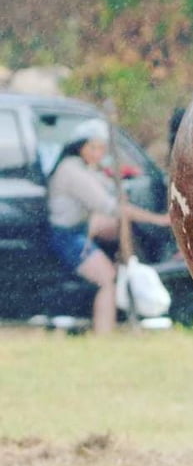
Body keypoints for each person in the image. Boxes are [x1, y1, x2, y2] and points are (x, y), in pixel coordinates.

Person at [47, 119, 171, 334]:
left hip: (80, 229)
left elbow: (109, 187)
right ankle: (104, 334)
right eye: (93, 147)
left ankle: (128, 264)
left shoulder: (84, 167)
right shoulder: (72, 171)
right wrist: (157, 219)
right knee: (107, 278)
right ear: (80, 146)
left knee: (119, 230)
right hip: (69, 237)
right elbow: (110, 207)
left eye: (101, 148)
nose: (98, 153)